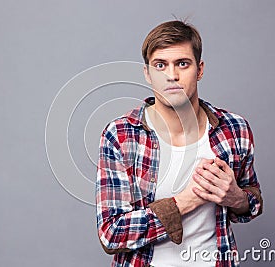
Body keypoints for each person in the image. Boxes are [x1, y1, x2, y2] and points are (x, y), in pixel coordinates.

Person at [96, 20, 263, 267]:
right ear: (147, 73)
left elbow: (253, 202)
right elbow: (111, 234)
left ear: (200, 69)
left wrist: (235, 197)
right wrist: (185, 202)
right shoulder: (121, 135)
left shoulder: (234, 129)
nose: (172, 75)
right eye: (160, 65)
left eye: (182, 64)